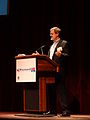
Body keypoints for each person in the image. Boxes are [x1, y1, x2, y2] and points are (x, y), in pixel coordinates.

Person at [32, 27, 70, 117]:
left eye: (52, 33)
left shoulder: (63, 43)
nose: (50, 35)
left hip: (59, 70)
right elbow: (49, 59)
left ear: (57, 34)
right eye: (50, 33)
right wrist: (40, 56)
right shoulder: (51, 46)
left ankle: (66, 110)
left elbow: (68, 56)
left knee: (61, 90)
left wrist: (61, 55)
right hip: (51, 71)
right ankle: (53, 110)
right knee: (51, 90)